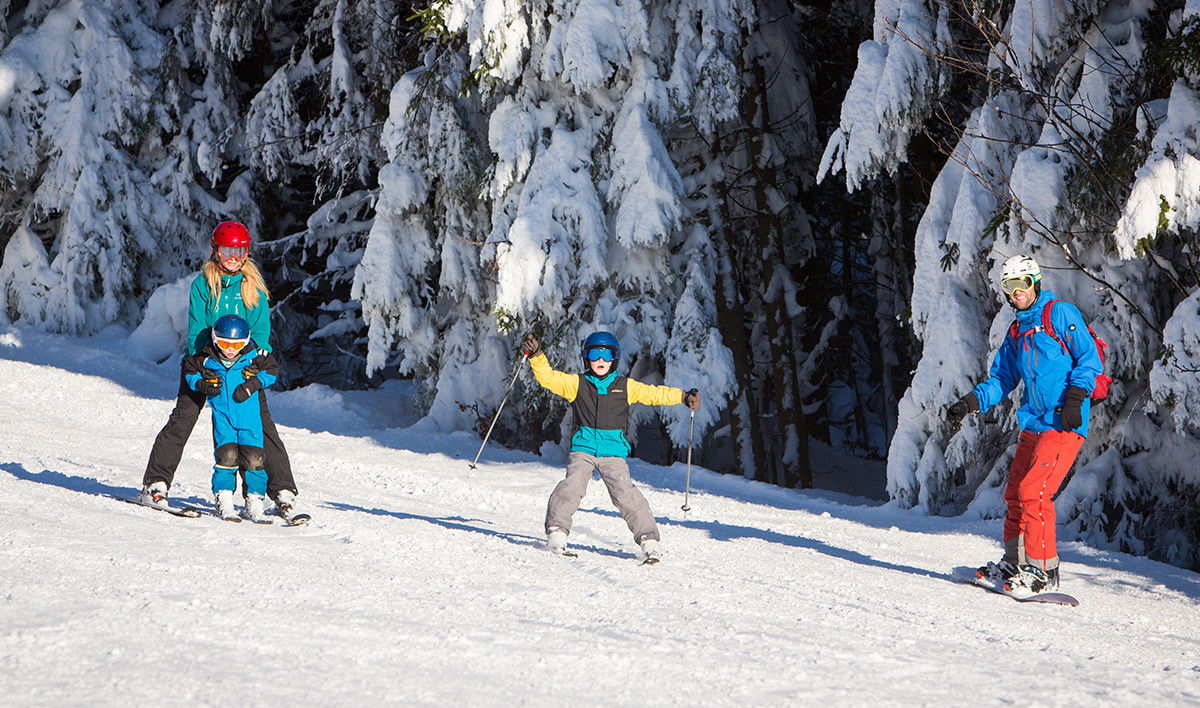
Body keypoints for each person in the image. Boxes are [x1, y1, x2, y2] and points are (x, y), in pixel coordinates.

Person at [947, 254, 1102, 597]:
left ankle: (1042, 571)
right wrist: (970, 402)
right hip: (1034, 422)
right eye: (1009, 286)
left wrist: (1076, 399)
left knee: (1035, 493)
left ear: (1035, 283)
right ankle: (1015, 564)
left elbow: (1088, 359)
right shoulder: (1018, 329)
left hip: (1063, 421)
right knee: (1016, 493)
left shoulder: (1058, 314)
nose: (1016, 291)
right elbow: (1002, 378)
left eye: (1022, 284)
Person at [139, 221, 309, 523]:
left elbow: (260, 328)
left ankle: (283, 493)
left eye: (240, 250)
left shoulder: (253, 284)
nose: (233, 256)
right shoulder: (204, 284)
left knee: (262, 426)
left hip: (242, 366)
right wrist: (203, 363)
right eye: (227, 250)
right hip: (206, 362)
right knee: (183, 419)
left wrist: (254, 360)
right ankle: (156, 483)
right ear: (216, 250)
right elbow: (198, 329)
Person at [522, 331, 701, 563]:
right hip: (584, 449)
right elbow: (548, 378)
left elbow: (654, 394)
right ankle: (556, 532)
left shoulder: (625, 386)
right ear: (587, 357)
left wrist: (683, 396)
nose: (600, 361)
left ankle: (649, 539)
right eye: (595, 354)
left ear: (614, 359)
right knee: (571, 486)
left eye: (606, 355)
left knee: (626, 494)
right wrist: (536, 355)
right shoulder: (577, 384)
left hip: (613, 453)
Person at [185, 315, 279, 521]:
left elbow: (272, 370)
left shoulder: (253, 356)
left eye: (236, 344)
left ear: (245, 342)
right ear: (215, 340)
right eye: (225, 343)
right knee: (226, 457)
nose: (230, 349)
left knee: (255, 459)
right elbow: (189, 370)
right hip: (223, 419)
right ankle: (224, 500)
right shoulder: (207, 359)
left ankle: (255, 502)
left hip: (250, 420)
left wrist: (253, 384)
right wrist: (203, 385)